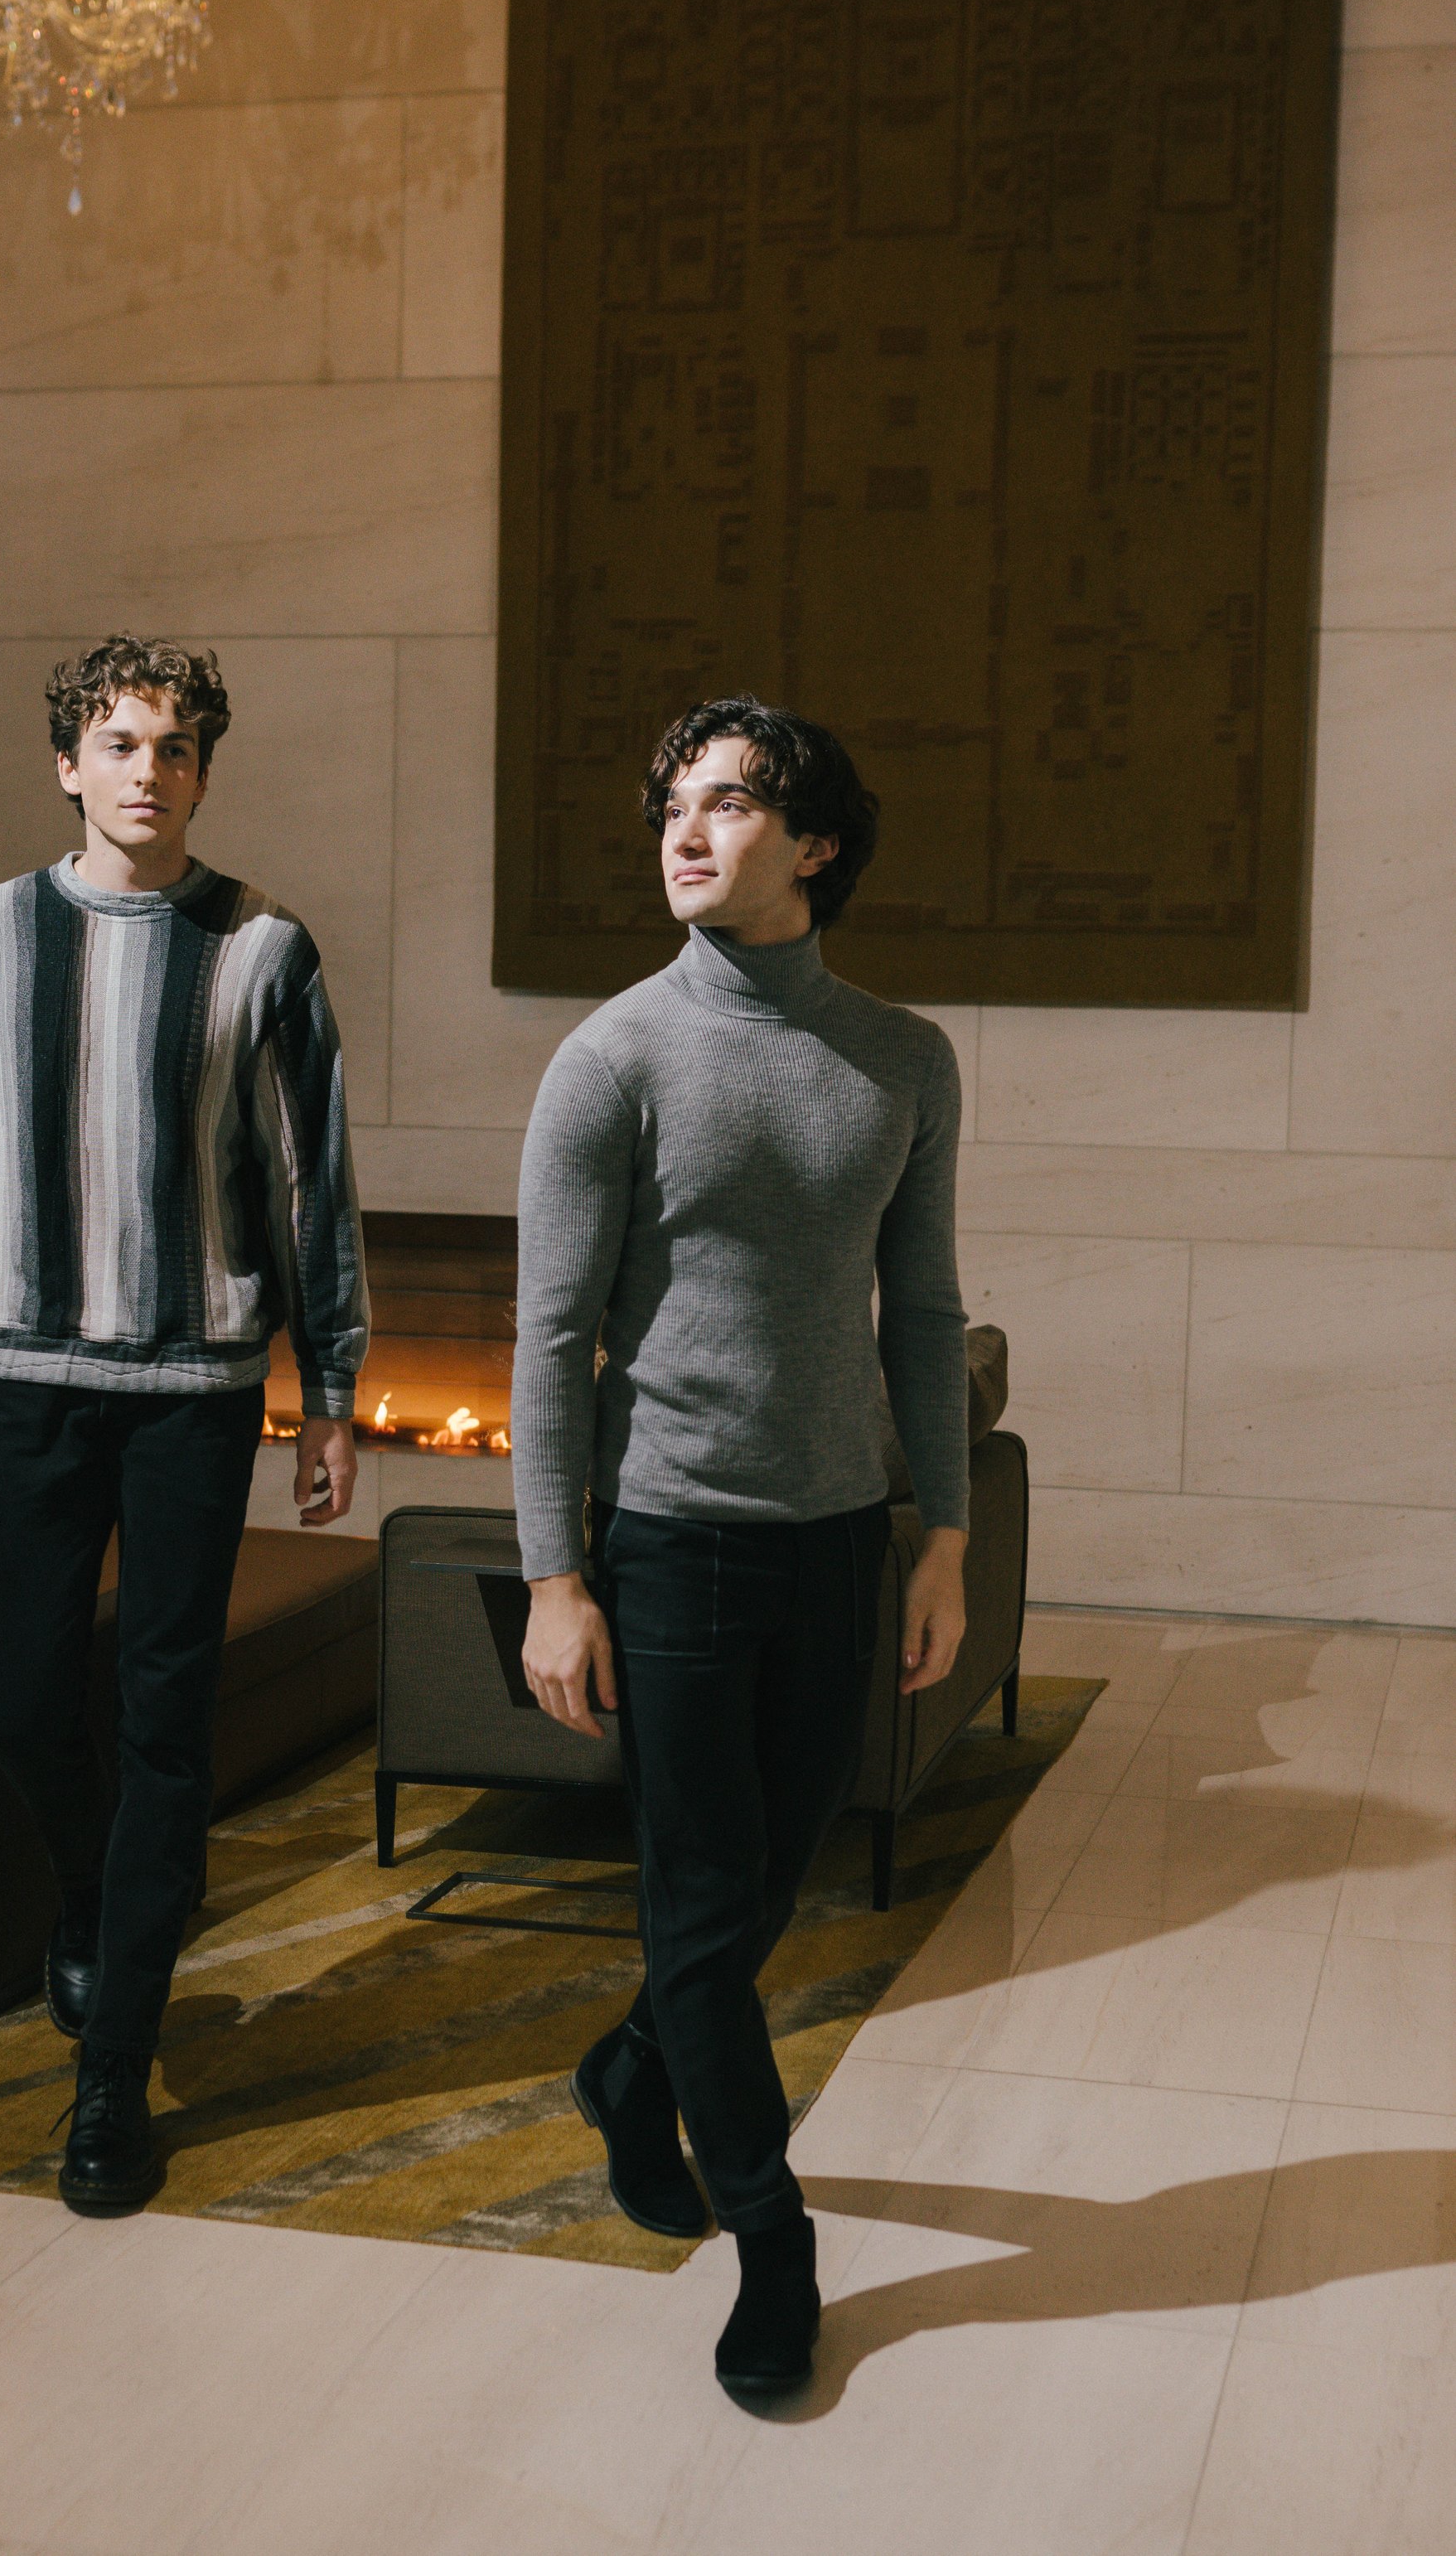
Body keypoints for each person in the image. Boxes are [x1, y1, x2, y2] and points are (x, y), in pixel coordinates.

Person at [0, 633, 369, 2215]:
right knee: (15, 1699)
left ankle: (110, 2079)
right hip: (25, 1377)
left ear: (203, 773)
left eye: (177, 747)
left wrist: (331, 1393)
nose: (150, 769)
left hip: (197, 1396)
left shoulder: (263, 949)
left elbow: (313, 1186)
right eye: (121, 741)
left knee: (163, 1724)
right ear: (67, 765)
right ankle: (96, 1898)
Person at [513, 698, 969, 2407]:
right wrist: (555, 1580)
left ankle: (633, 2072)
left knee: (761, 1886)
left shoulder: (903, 1058)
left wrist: (938, 1540)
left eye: (725, 806)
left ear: (817, 843)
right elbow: (548, 1338)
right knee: (704, 1905)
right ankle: (773, 2247)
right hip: (672, 1543)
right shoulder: (612, 1057)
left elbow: (917, 1311)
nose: (682, 834)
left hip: (837, 1531)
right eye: (669, 808)